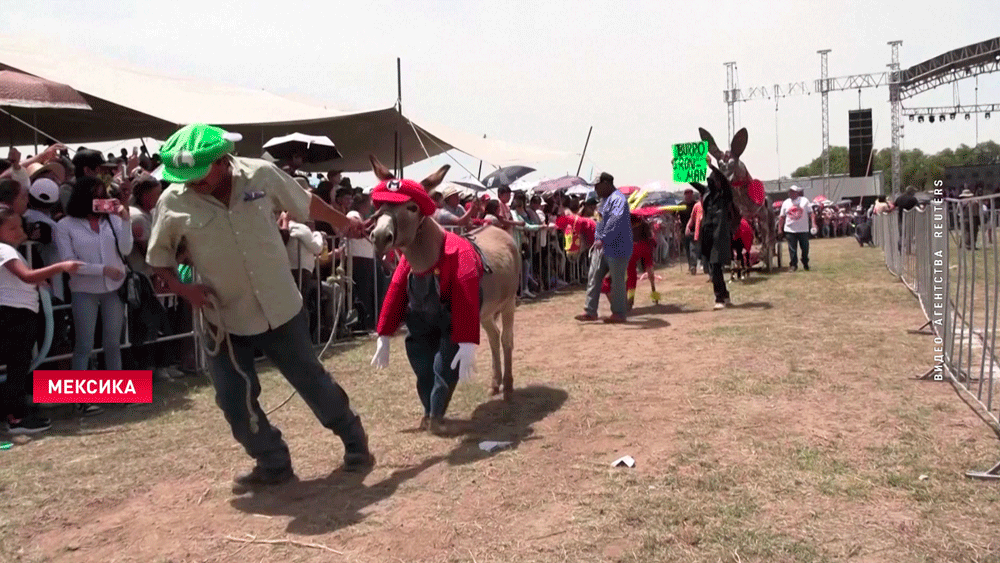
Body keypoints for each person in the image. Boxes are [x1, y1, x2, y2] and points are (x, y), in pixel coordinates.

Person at [145, 123, 373, 492]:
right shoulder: (173, 201)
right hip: (225, 317)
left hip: (280, 307)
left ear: (222, 162)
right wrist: (184, 290)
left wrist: (342, 222)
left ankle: (353, 439)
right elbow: (159, 259)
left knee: (312, 382)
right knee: (233, 400)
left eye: (199, 177)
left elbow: (304, 201)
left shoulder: (262, 174)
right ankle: (272, 461)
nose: (191, 184)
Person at [0, 206, 82, 434]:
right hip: (15, 315)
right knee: (18, 367)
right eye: (12, 228)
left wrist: (38, 280)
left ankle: (14, 415)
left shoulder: (7, 251)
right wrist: (61, 266)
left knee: (18, 366)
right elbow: (26, 276)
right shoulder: (5, 251)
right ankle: (15, 418)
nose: (19, 232)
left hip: (16, 313)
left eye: (20, 227)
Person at [576, 172, 632, 323]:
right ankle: (590, 311)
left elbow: (615, 222)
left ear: (606, 184)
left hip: (618, 247)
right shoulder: (604, 201)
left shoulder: (618, 200)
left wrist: (603, 238)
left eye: (597, 185)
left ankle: (619, 313)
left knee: (617, 281)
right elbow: (600, 222)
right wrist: (597, 239)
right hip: (602, 247)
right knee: (593, 277)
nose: (596, 189)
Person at [691, 167, 736, 309]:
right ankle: (725, 294)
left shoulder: (726, 194)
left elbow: (725, 182)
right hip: (708, 234)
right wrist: (678, 167)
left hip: (720, 234)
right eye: (710, 180)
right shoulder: (706, 193)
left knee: (715, 266)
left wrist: (712, 167)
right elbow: (694, 182)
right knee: (712, 267)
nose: (712, 182)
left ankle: (719, 298)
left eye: (715, 179)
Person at [778, 185, 817, 272]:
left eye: (793, 192)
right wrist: (779, 229)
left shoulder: (804, 201)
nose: (791, 193)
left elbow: (811, 213)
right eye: (790, 192)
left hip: (803, 229)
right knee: (792, 249)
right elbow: (782, 217)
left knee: (805, 248)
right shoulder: (786, 203)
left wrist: (813, 224)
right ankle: (793, 265)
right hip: (790, 229)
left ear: (797, 193)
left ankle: (805, 262)